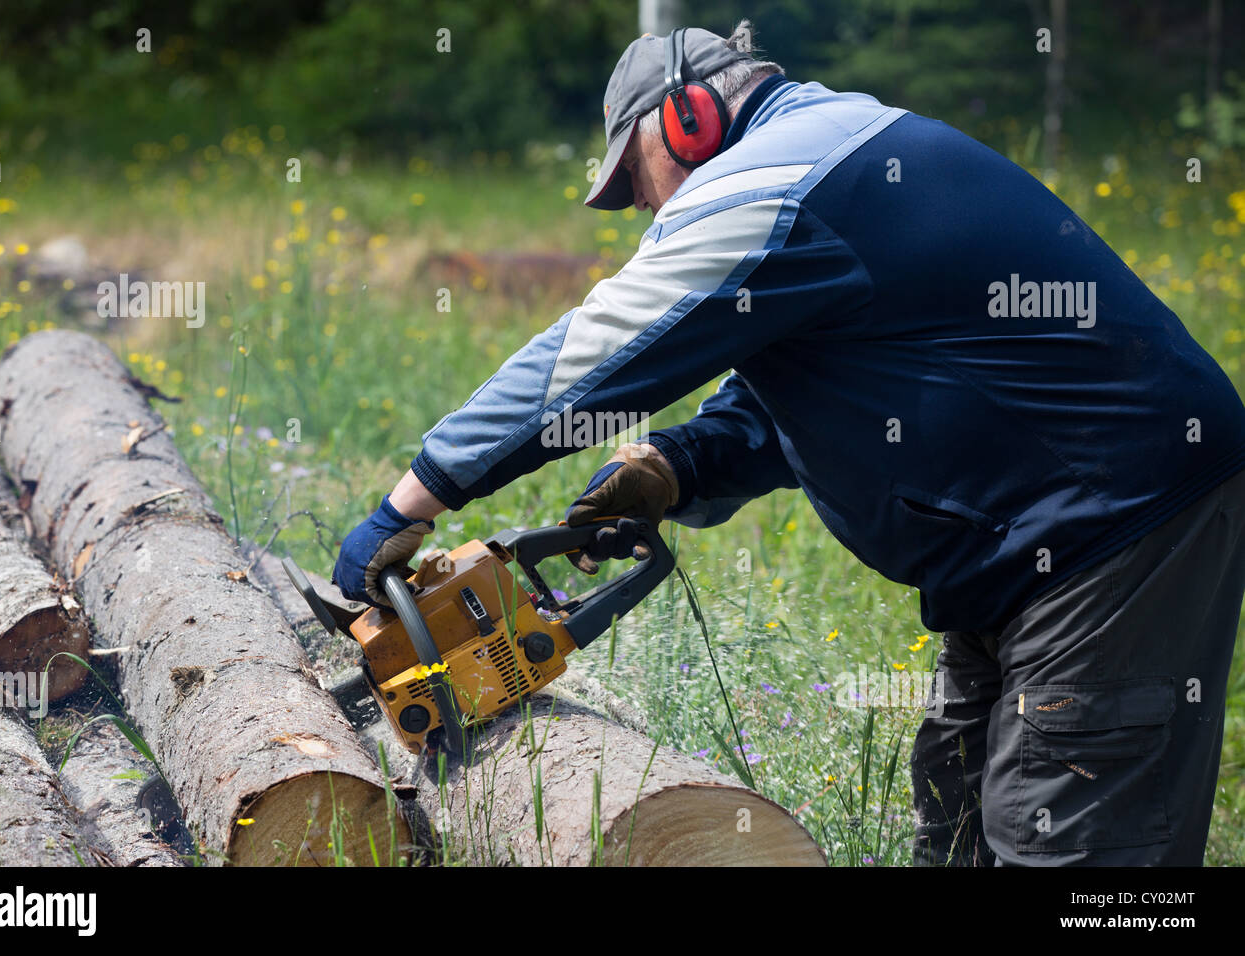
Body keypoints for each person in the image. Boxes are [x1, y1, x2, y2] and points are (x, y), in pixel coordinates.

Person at [333, 22, 1245, 865]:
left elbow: (596, 352)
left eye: (639, 181)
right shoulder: (826, 169)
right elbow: (818, 389)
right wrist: (678, 466)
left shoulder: (777, 175)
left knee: (1065, 825)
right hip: (1029, 537)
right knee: (960, 805)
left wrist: (412, 499)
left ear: (688, 119)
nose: (647, 214)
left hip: (1115, 515)